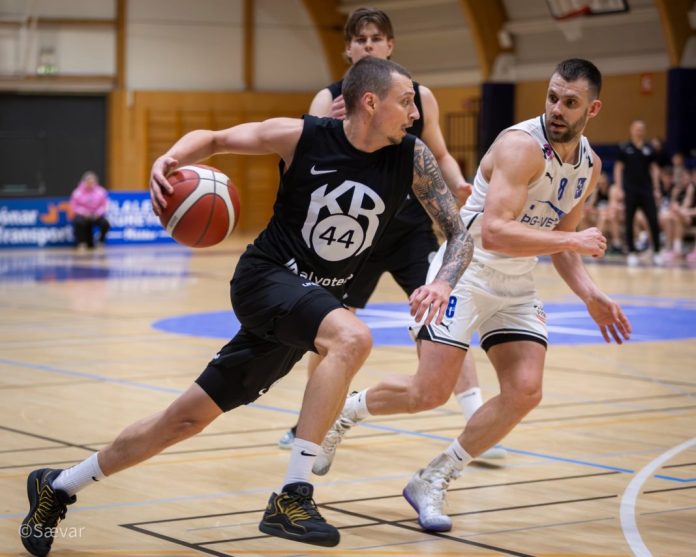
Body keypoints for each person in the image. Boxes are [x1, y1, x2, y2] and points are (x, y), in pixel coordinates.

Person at [19, 57, 474, 555]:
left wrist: (443, 283)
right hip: (266, 279)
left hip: (306, 304)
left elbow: (459, 233)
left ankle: (58, 485)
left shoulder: (412, 157)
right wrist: (169, 158)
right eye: (406, 102)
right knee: (351, 337)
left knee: (183, 420)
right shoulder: (302, 137)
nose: (415, 113)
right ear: (371, 102)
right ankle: (293, 495)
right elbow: (215, 139)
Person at [312, 58, 632, 533]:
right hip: (466, 270)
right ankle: (344, 414)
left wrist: (591, 294)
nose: (557, 109)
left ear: (593, 109)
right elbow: (496, 232)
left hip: (516, 283)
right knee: (428, 393)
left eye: (570, 102)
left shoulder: (590, 164)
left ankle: (434, 476)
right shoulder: (520, 146)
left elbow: (562, 244)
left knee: (525, 391)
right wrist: (571, 239)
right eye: (552, 97)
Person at [277, 6, 506, 461]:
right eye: (359, 39)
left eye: (375, 38)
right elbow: (301, 165)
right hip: (349, 233)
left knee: (444, 317)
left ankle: (473, 414)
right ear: (347, 49)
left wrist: (458, 184)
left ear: (390, 46)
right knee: (330, 331)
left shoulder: (418, 97)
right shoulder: (328, 99)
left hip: (408, 230)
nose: (368, 45)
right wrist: (332, 125)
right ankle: (311, 421)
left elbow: (440, 153)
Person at [614, 120, 663, 266]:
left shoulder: (649, 148)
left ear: (644, 131)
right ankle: (631, 252)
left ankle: (657, 252)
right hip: (630, 190)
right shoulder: (624, 148)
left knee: (653, 220)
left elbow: (654, 169)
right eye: (636, 128)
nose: (639, 131)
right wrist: (619, 188)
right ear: (631, 130)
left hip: (646, 190)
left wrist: (656, 188)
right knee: (629, 221)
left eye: (641, 128)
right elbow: (618, 168)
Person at [69, 171, 110, 250]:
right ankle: (82, 243)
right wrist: (84, 213)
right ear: (84, 182)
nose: (90, 184)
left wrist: (98, 213)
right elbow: (74, 206)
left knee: (105, 223)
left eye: (92, 182)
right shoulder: (77, 192)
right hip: (83, 216)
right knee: (78, 222)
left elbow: (105, 205)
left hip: (96, 215)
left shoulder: (101, 192)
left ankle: (101, 242)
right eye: (88, 182)